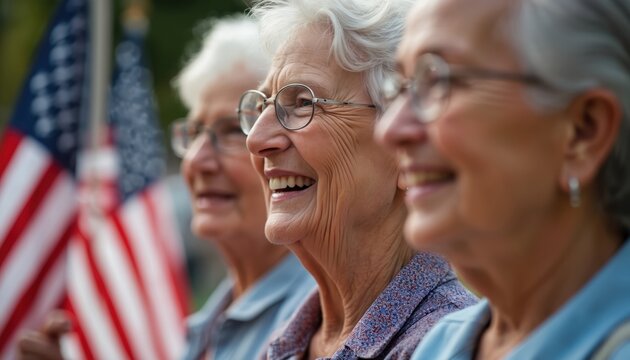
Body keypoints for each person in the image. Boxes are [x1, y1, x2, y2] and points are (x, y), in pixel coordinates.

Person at [17, 15, 316, 360]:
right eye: (194, 133)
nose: (197, 161)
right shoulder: (207, 323)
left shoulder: (313, 321)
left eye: (234, 130)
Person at [375, 0, 630, 358]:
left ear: (582, 132)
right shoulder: (438, 345)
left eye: (439, 80)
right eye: (400, 86)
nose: (389, 130)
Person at [239, 0, 477, 358]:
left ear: (405, 146)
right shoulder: (289, 340)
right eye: (263, 106)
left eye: (303, 102)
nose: (256, 139)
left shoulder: (444, 347)